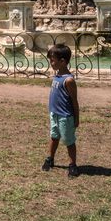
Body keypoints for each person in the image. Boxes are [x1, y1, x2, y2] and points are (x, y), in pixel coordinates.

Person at [41, 44, 80, 178]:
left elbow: (74, 101)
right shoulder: (57, 75)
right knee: (54, 137)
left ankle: (72, 164)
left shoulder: (68, 80)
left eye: (52, 60)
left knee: (69, 141)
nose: (51, 63)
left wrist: (76, 118)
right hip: (55, 114)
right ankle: (50, 158)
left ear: (62, 61)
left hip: (65, 116)